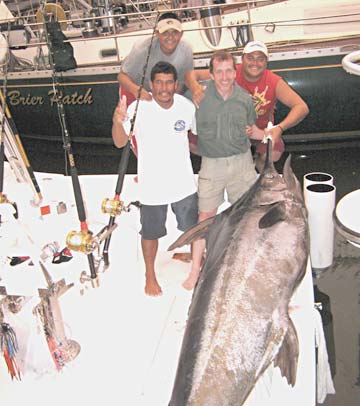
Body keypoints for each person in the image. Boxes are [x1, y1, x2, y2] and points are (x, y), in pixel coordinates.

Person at [112, 61, 198, 296]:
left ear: (176, 84)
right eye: (158, 82)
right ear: (151, 84)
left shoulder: (186, 107)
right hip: (152, 186)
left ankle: (196, 261)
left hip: (183, 183)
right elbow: (120, 142)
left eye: (169, 82)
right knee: (150, 233)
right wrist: (117, 120)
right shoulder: (137, 108)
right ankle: (150, 274)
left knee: (193, 228)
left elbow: (199, 136)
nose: (164, 87)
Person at [183, 50, 259, 291]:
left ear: (235, 72)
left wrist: (271, 132)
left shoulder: (245, 99)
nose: (225, 76)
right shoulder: (198, 96)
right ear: (212, 74)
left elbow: (253, 129)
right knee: (204, 218)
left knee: (246, 217)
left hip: (242, 163)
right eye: (220, 71)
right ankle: (196, 268)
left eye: (229, 71)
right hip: (212, 164)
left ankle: (244, 265)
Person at [184, 40, 309, 169]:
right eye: (250, 58)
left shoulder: (274, 81)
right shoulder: (229, 72)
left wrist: (279, 128)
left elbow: (301, 107)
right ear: (242, 59)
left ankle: (259, 170)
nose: (255, 63)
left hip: (257, 130)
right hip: (227, 128)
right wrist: (195, 88)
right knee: (192, 144)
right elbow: (190, 74)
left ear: (266, 62)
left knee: (274, 152)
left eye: (260, 59)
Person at [118, 12, 193, 103]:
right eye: (165, 33)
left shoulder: (186, 50)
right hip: (137, 91)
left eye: (175, 32)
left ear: (181, 34)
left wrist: (171, 101)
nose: (170, 37)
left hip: (165, 94)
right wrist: (136, 90)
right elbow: (122, 76)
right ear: (157, 33)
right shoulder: (142, 49)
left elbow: (182, 82)